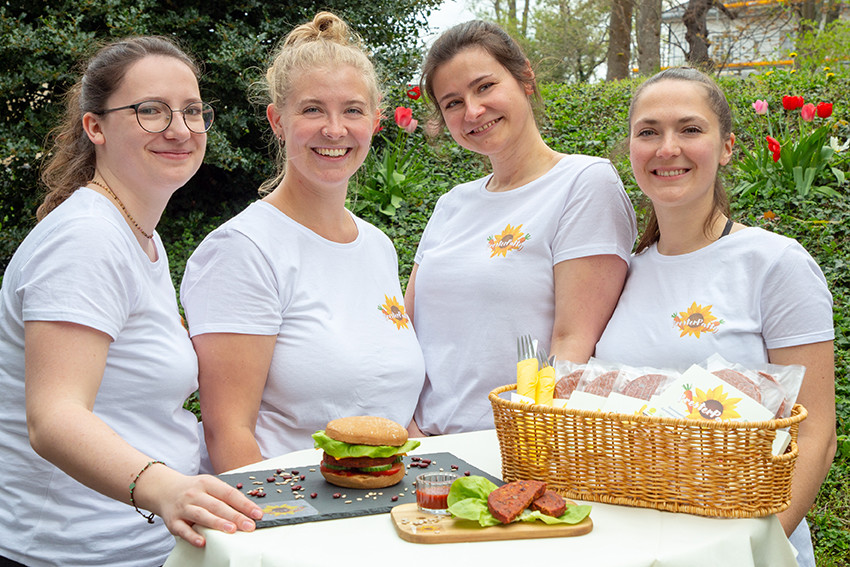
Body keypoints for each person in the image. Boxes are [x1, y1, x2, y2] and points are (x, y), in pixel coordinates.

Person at [0, 36, 264, 566]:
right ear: (95, 127)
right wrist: (164, 487)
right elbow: (53, 416)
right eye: (151, 110)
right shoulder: (86, 239)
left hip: (144, 545)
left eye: (192, 111)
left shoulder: (140, 234)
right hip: (73, 551)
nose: (180, 128)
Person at [595, 67, 836, 566]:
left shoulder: (775, 263)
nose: (667, 148)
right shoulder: (623, 270)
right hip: (632, 540)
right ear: (632, 151)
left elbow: (816, 436)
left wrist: (741, 550)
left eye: (690, 129)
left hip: (739, 545)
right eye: (648, 132)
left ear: (725, 147)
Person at [180, 12, 425, 474]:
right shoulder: (243, 250)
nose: (334, 129)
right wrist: (284, 527)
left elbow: (392, 410)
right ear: (278, 121)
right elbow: (228, 436)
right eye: (313, 109)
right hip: (295, 514)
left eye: (352, 110)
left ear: (374, 122)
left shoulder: (377, 246)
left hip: (387, 513)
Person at [405, 20, 637, 435]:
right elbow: (406, 333)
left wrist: (523, 449)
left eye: (484, 87)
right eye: (453, 102)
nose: (472, 111)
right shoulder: (451, 205)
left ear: (525, 78)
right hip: (425, 451)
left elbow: (572, 348)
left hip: (517, 448)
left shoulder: (584, 183)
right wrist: (409, 430)